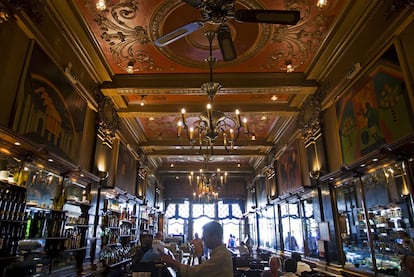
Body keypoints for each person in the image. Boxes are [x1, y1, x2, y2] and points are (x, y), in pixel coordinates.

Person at [159, 221, 233, 277]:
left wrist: (173, 262)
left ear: (214, 237)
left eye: (205, 236)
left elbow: (197, 272)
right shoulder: (220, 253)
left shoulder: (221, 256)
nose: (202, 239)